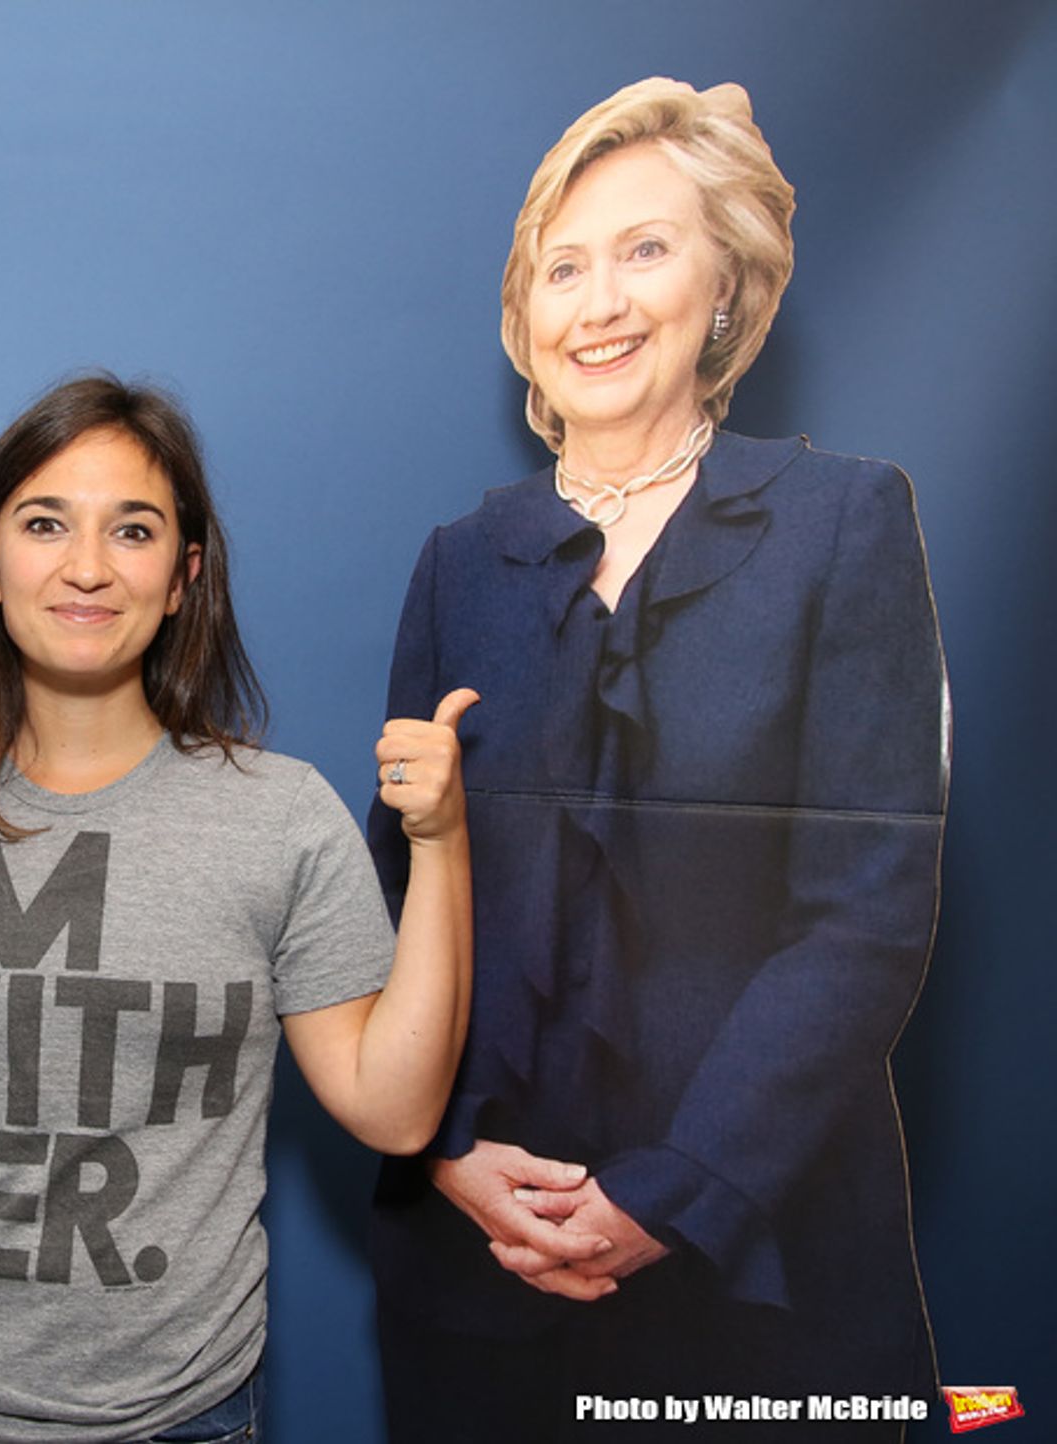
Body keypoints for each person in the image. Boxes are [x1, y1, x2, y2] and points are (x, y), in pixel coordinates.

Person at [368, 79, 948, 1442]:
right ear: (526, 311)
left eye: (645, 249)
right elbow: (394, 900)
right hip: (487, 1266)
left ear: (724, 285)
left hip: (765, 1266)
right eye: (563, 266)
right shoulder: (460, 565)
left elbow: (865, 917)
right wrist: (443, 1145)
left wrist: (674, 1190)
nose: (601, 302)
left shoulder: (844, 522)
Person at [0, 374, 476, 1444]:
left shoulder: (279, 818)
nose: (87, 566)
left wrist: (442, 843)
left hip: (178, 1413)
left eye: (132, 530)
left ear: (183, 578)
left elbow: (396, 1111)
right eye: (44, 523)